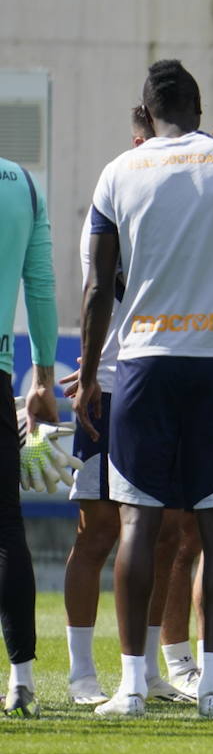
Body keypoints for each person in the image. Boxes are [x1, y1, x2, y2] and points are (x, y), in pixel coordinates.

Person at [75, 59, 213, 718]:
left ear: (148, 108)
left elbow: (94, 289)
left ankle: (132, 686)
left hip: (141, 365)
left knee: (139, 522)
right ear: (198, 105)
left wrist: (86, 375)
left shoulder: (117, 171)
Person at [64, 105, 189, 707]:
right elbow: (98, 292)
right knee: (99, 532)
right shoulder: (108, 207)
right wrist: (85, 373)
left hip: (165, 386)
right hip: (109, 387)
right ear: (136, 144)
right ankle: (82, 671)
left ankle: (150, 668)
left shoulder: (188, 209)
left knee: (167, 532)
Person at [0, 147, 59, 718]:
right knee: (5, 531)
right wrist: (42, 378)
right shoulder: (20, 181)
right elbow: (40, 285)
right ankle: (21, 682)